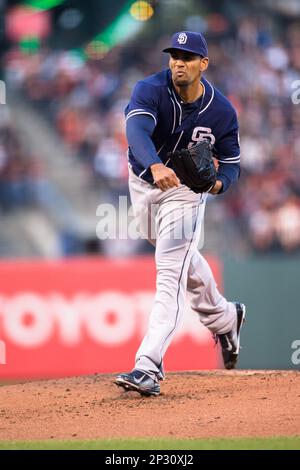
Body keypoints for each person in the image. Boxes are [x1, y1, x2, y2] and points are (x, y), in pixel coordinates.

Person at [115, 31, 246, 396]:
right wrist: (156, 165)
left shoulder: (221, 111)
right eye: (174, 55)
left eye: (187, 57)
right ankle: (224, 316)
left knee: (169, 271)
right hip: (144, 181)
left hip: (187, 194)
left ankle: (148, 365)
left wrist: (218, 184)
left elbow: (232, 162)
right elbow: (135, 131)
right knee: (183, 259)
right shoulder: (150, 89)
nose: (178, 62)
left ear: (204, 64)